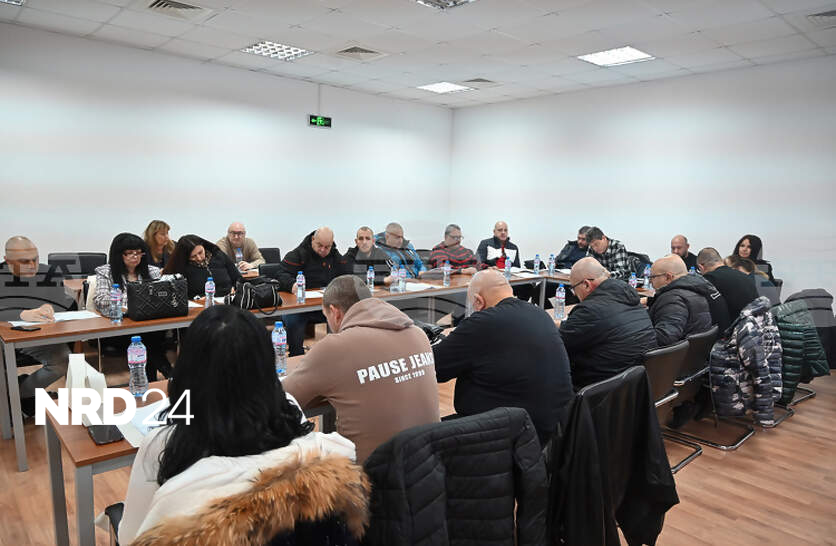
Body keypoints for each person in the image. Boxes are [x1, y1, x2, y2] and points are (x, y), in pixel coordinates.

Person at [118, 305, 357, 544]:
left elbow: (131, 537)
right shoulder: (296, 421)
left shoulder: (161, 444)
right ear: (266, 368)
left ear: (187, 371)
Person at [283, 275, 439, 462]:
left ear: (335, 312)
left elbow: (282, 397)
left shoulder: (335, 348)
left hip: (368, 474)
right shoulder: (418, 334)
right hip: (428, 465)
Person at [432, 269, 573, 445]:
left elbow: (435, 368)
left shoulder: (482, 323)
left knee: (416, 439)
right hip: (551, 429)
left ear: (478, 301)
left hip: (506, 436)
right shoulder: (540, 314)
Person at [0, 236, 74, 416]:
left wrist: (51, 307)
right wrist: (21, 314)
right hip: (4, 336)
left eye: (35, 259)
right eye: (24, 261)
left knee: (63, 361)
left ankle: (17, 395)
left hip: (39, 335)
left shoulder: (49, 273)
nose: (32, 265)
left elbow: (62, 303)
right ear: (8, 261)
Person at [560, 257, 657, 389]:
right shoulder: (630, 298)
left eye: (573, 289)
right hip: (636, 387)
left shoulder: (590, 310)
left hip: (599, 390)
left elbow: (558, 345)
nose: (575, 295)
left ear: (586, 284)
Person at [94, 233, 172, 379]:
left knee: (149, 338)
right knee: (148, 341)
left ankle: (155, 380)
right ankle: (168, 373)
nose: (135, 257)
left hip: (149, 324)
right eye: (129, 253)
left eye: (138, 253)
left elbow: (161, 297)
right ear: (118, 254)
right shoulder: (105, 272)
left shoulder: (153, 271)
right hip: (119, 327)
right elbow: (100, 300)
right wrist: (137, 296)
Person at [276, 227, 342, 356]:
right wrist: (292, 285)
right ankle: (296, 355)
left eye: (327, 247)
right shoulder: (297, 254)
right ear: (313, 239)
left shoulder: (334, 255)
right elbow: (280, 274)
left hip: (324, 304)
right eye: (319, 245)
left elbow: (345, 273)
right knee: (294, 319)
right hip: (299, 306)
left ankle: (335, 354)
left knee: (341, 314)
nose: (323, 250)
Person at [646, 254, 720, 347]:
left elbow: (665, 338)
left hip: (676, 354)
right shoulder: (695, 289)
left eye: (652, 277)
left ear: (668, 277)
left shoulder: (673, 300)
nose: (650, 281)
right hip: (694, 352)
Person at [162, 235, 241, 298]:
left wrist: (236, 289)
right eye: (193, 256)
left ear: (204, 246)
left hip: (228, 300)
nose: (199, 258)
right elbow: (177, 295)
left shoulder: (218, 255)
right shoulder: (181, 268)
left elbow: (238, 279)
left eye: (200, 252)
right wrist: (199, 297)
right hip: (200, 306)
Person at [697, 247, 759, 322]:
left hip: (736, 325)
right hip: (755, 323)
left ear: (701, 267)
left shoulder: (710, 278)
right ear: (721, 261)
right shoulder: (742, 275)